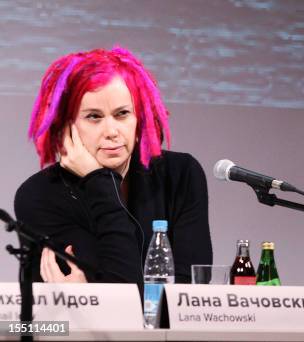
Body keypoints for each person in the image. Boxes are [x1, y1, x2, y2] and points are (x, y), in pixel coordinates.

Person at [14, 47, 212, 286]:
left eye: (122, 114)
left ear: (140, 118)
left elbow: (189, 291)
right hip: (72, 326)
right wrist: (99, 180)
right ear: (65, 126)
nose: (111, 132)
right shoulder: (39, 195)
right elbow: (122, 286)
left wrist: (99, 292)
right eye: (94, 117)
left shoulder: (180, 174)